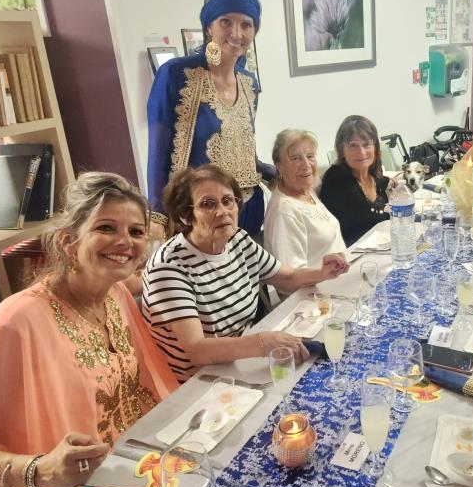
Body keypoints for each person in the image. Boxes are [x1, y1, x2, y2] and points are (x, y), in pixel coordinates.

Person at [0, 173, 178, 487]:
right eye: (106, 228)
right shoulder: (17, 323)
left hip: (130, 481)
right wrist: (40, 469)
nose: (125, 242)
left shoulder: (115, 294)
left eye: (136, 232)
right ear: (69, 240)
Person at [143, 164, 349, 382]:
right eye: (207, 204)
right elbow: (198, 350)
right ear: (186, 215)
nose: (222, 211)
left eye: (227, 201)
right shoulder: (169, 267)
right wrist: (263, 343)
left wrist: (323, 272)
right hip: (197, 382)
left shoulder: (238, 240)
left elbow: (287, 278)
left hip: (238, 363)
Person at [147, 0, 273, 241]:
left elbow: (242, 147)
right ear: (208, 27)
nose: (236, 33)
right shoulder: (176, 75)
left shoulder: (249, 83)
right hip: (199, 214)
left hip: (248, 208)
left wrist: (278, 171)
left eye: (246, 24)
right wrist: (157, 216)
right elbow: (158, 152)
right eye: (226, 21)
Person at [264, 129, 346, 270]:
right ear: (279, 166)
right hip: (323, 283)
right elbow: (292, 275)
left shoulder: (306, 192)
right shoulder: (284, 211)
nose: (306, 164)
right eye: (295, 158)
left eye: (310, 156)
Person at [319, 115, 391, 246]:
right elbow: (371, 220)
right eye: (353, 145)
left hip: (380, 246)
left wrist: (392, 183)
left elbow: (380, 181)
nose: (361, 152)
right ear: (341, 150)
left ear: (375, 146)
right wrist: (396, 210)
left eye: (366, 144)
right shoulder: (336, 179)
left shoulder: (370, 173)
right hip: (352, 253)